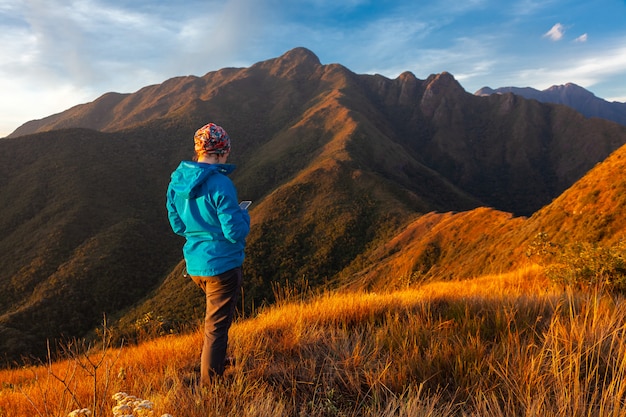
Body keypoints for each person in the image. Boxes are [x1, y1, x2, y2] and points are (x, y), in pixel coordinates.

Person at [166, 122, 250, 385]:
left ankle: (215, 361)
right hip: (222, 265)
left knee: (216, 323)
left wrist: (199, 227)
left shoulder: (176, 182)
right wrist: (244, 214)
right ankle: (210, 388)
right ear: (222, 152)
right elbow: (235, 232)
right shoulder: (220, 184)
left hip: (195, 265)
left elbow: (178, 225)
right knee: (216, 328)